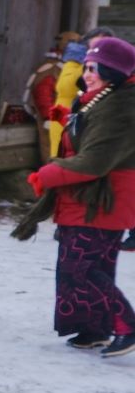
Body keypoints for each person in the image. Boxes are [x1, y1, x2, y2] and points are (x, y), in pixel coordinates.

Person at [15, 36, 135, 358]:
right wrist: (67, 120)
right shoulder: (104, 97)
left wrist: (47, 174)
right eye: (87, 67)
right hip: (90, 199)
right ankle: (95, 330)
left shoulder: (122, 106)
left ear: (113, 70)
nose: (87, 74)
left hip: (102, 201)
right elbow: (89, 135)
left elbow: (95, 160)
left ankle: (127, 325)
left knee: (80, 269)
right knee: (93, 266)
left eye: (94, 68)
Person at [27, 31, 79, 158]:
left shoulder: (72, 67)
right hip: (54, 119)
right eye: (72, 42)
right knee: (54, 153)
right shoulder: (51, 68)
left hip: (69, 118)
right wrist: (50, 118)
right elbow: (42, 95)